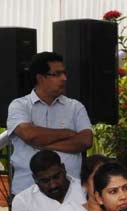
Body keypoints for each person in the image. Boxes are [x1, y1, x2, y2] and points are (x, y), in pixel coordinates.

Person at [7, 51, 93, 195]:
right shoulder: (19, 105)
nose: (64, 78)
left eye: (64, 73)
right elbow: (30, 135)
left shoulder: (75, 106)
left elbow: (85, 140)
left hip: (71, 195)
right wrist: (67, 133)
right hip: (27, 191)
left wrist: (42, 143)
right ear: (40, 78)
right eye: (57, 74)